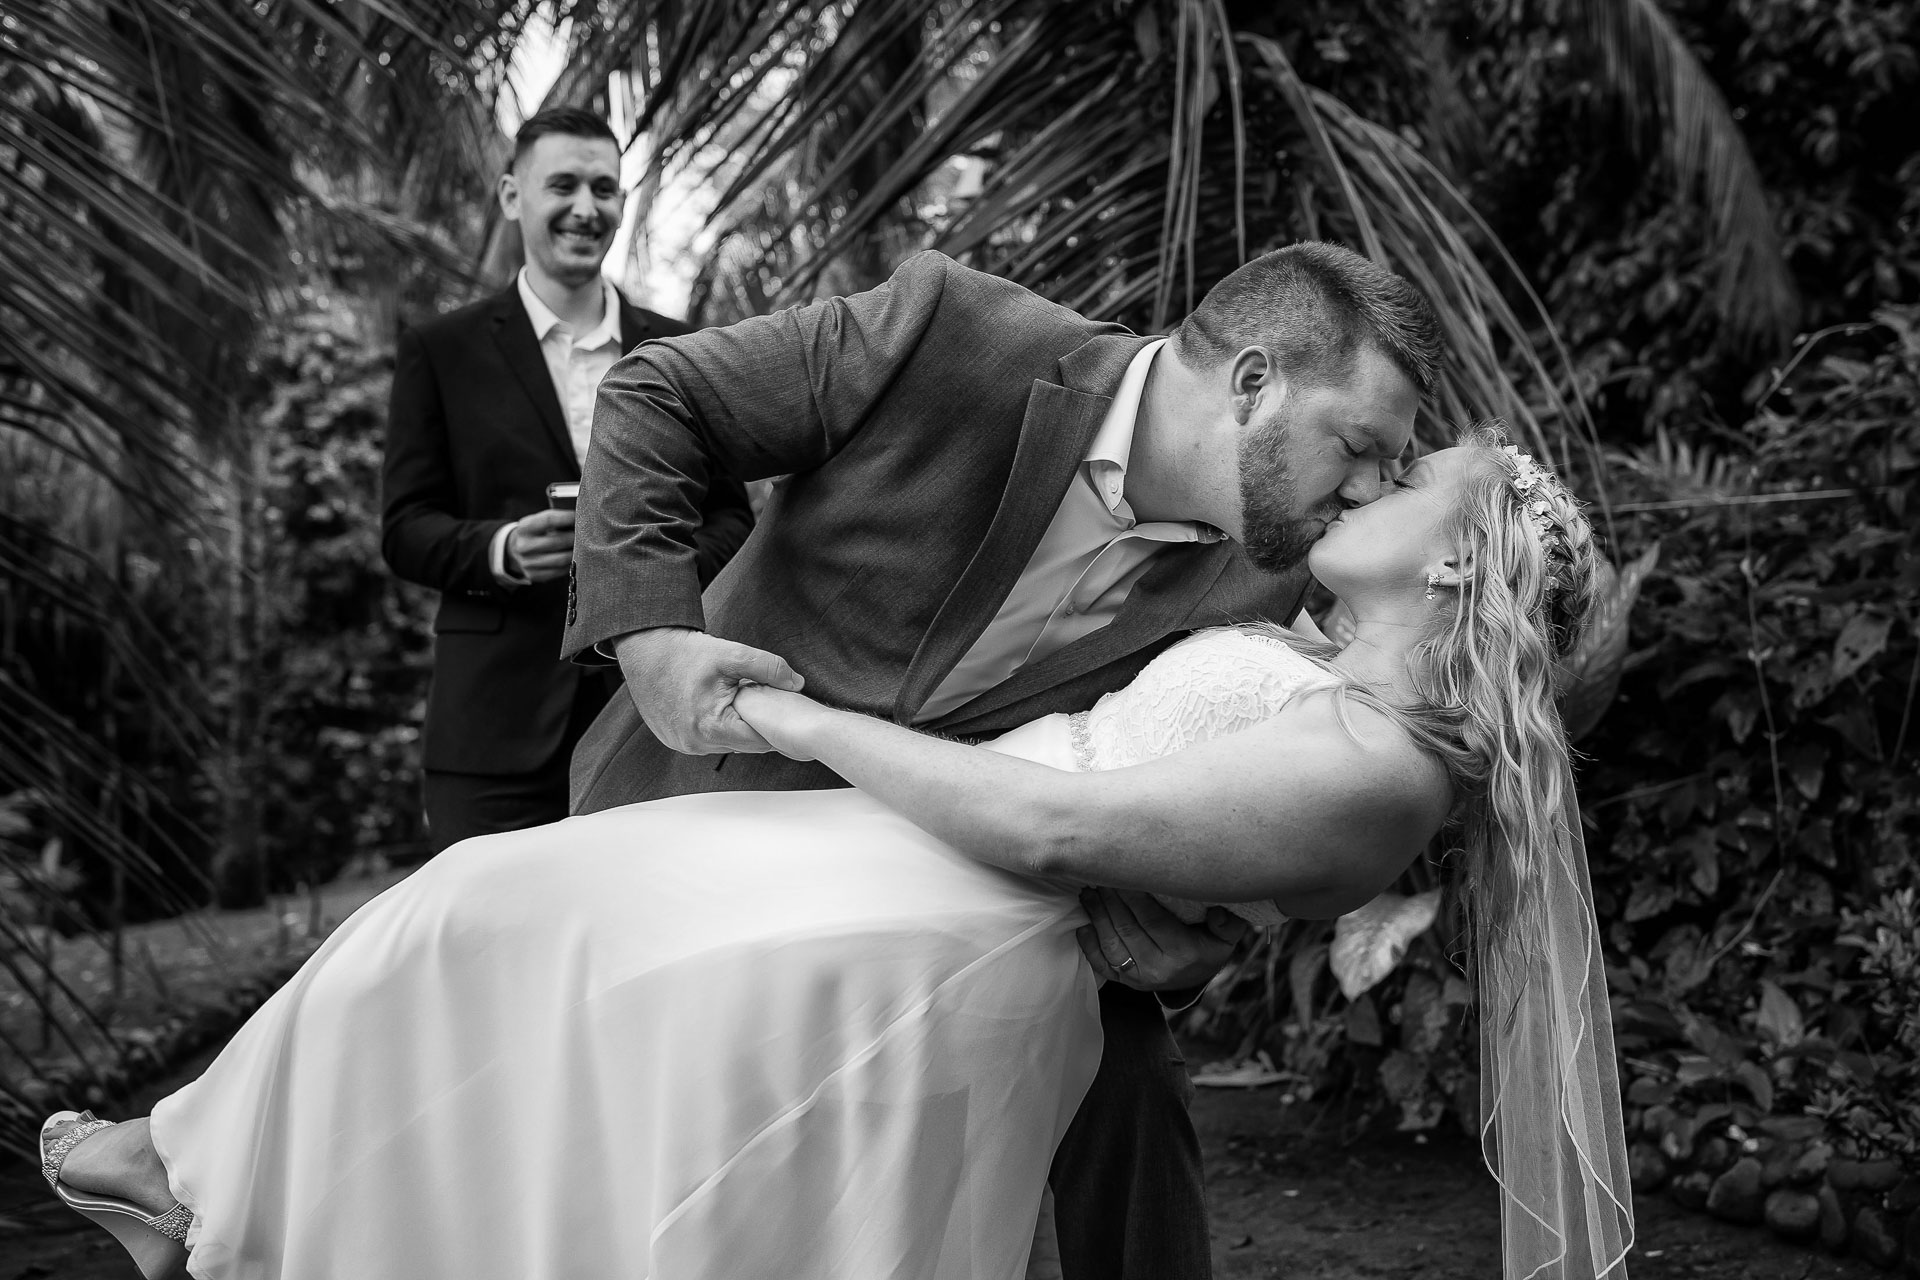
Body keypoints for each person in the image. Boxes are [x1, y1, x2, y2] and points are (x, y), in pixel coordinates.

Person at [40, 428, 1633, 1280]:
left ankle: (199, 1179)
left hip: (940, 924)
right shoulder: (1324, 677)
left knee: (653, 1134)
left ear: (1461, 559)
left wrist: (798, 730)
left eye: (1422, 478)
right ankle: (202, 1174)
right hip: (900, 871)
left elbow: (1062, 824)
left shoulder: (1383, 773)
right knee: (502, 940)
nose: (1383, 472)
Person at [562, 243, 1438, 1279]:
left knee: (1132, 1080)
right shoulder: (951, 332)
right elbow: (659, 394)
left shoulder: (1264, 590)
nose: (1375, 488)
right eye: (1361, 444)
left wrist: (1189, 948)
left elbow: (1189, 811)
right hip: (685, 821)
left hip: (934, 918)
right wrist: (652, 640)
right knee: (625, 1202)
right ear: (1253, 383)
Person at [380, 105, 753, 852]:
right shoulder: (440, 350)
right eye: (563, 186)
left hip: (654, 720)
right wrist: (502, 549)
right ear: (513, 195)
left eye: (604, 188)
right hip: (492, 732)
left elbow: (733, 523)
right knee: (497, 954)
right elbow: (404, 529)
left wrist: (645, 567)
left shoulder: (683, 349)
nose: (587, 208)